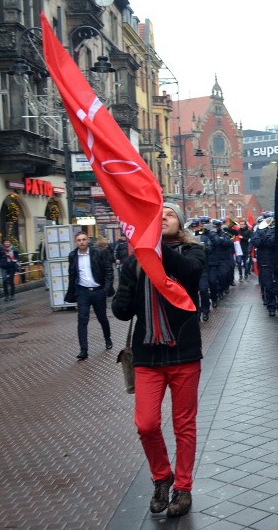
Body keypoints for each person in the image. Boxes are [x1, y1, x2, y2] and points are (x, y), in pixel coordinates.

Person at [112, 203, 205, 518]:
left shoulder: (193, 253)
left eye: (169, 214)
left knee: (184, 425)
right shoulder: (136, 259)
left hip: (184, 351)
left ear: (180, 225)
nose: (163, 217)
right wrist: (126, 285)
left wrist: (152, 248)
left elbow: (188, 273)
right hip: (148, 354)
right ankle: (162, 476)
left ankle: (183, 486)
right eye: (158, 214)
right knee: (146, 423)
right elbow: (123, 311)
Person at [64, 231, 114, 360]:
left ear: (88, 240)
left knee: (102, 318)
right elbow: (72, 275)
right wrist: (73, 292)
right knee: (82, 319)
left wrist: (105, 290)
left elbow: (109, 271)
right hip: (83, 292)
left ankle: (107, 338)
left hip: (98, 291)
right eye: (79, 240)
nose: (81, 242)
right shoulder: (73, 256)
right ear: (76, 242)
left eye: (84, 239)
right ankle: (83, 350)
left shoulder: (99, 253)